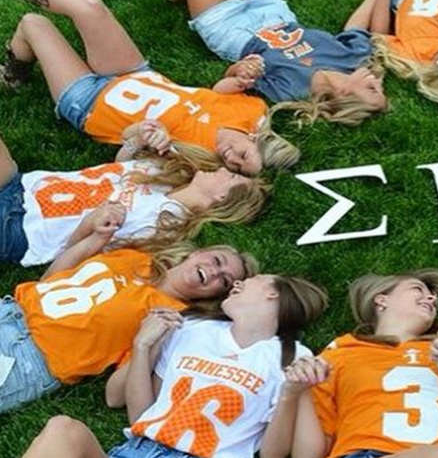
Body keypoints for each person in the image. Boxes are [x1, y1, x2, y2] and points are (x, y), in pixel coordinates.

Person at [0, 0, 298, 176]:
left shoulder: (199, 162)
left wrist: (140, 139)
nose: (230, 159)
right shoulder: (252, 112)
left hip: (88, 102)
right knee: (90, 6)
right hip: (136, 74)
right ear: (256, 138)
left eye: (235, 168)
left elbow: (123, 165)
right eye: (243, 156)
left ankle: (13, 72)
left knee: (34, 24)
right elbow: (218, 94)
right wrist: (238, 77)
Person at [20, 272, 329, 458]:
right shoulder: (191, 328)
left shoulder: (290, 356)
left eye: (253, 280)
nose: (237, 283)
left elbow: (274, 454)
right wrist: (143, 347)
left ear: (273, 292)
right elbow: (140, 414)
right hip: (137, 450)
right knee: (63, 430)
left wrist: (291, 394)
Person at [0, 220, 255, 413]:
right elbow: (49, 281)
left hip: (30, 358)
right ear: (197, 253)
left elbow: (115, 397)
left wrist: (145, 344)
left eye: (224, 281)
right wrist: (95, 239)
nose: (214, 272)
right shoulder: (136, 257)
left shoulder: (169, 318)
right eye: (216, 260)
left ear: (214, 296)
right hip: (11, 309)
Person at [278, 269, 438, 458]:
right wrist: (303, 391)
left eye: (433, 296)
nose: (431, 299)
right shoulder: (342, 352)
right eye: (417, 289)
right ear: (381, 299)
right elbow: (308, 454)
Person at [0, 131, 268, 267]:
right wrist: (139, 139)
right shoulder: (171, 174)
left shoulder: (162, 226)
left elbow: (72, 255)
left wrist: (91, 224)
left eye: (232, 176)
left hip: (22, 228)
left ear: (222, 197)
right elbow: (119, 167)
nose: (223, 169)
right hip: (22, 186)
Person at [168, 0, 388, 126]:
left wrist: (239, 70)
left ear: (344, 95)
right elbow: (356, 28)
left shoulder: (290, 91)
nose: (378, 82)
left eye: (372, 90)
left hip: (232, 30)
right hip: (272, 11)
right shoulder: (353, 58)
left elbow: (224, 89)